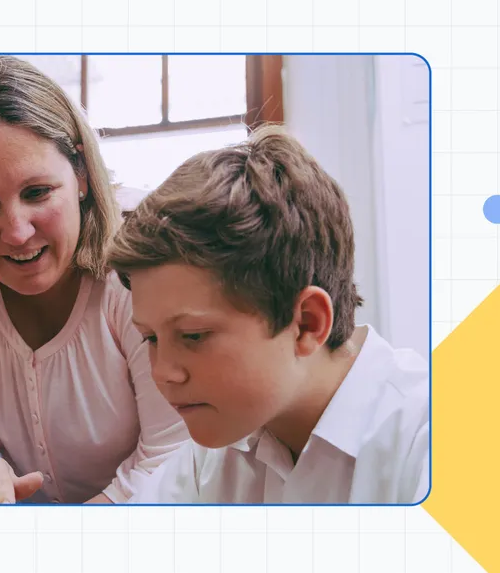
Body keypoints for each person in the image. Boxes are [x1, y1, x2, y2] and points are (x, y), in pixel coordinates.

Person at [0, 56, 190, 504]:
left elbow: (174, 458)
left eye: (37, 192)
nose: (18, 232)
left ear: (82, 173)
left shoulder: (146, 254)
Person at [108, 125, 430, 504]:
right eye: (151, 338)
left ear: (307, 324)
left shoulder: (431, 444)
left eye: (193, 336)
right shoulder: (209, 457)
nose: (162, 372)